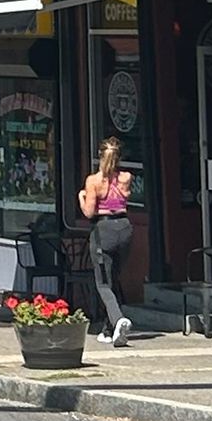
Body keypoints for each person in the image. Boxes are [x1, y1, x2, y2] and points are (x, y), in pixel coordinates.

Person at [79, 137, 134, 345]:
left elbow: (89, 212)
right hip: (125, 228)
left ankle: (118, 320)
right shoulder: (126, 177)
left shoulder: (94, 181)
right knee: (114, 278)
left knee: (103, 283)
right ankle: (109, 329)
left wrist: (82, 197)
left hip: (104, 230)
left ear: (100, 156)